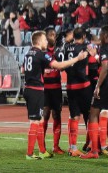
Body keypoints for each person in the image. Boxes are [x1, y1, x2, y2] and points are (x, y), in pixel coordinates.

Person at [23, 30, 87, 160]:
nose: (46, 41)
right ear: (39, 41)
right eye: (45, 39)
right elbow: (58, 65)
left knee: (39, 120)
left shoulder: (28, 53)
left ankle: (42, 151)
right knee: (35, 121)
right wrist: (77, 58)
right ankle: (30, 154)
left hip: (29, 89)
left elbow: (23, 69)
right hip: (36, 90)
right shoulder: (41, 54)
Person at [81, 26, 108, 159]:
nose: (99, 37)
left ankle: (94, 151)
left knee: (93, 114)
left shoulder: (105, 47)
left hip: (107, 82)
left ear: (106, 35)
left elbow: (105, 67)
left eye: (101, 34)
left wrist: (98, 86)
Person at [64, 28, 92, 157]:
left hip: (70, 86)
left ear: (73, 36)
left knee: (74, 116)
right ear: (84, 36)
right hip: (83, 85)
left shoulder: (66, 47)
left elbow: (64, 65)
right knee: (89, 115)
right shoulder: (85, 47)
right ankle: (91, 143)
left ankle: (73, 147)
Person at [42, 29, 64, 155]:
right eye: (51, 35)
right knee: (45, 115)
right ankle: (42, 145)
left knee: (57, 115)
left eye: (54, 35)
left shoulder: (59, 51)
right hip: (45, 89)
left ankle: (56, 146)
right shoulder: (42, 52)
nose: (53, 37)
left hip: (56, 88)